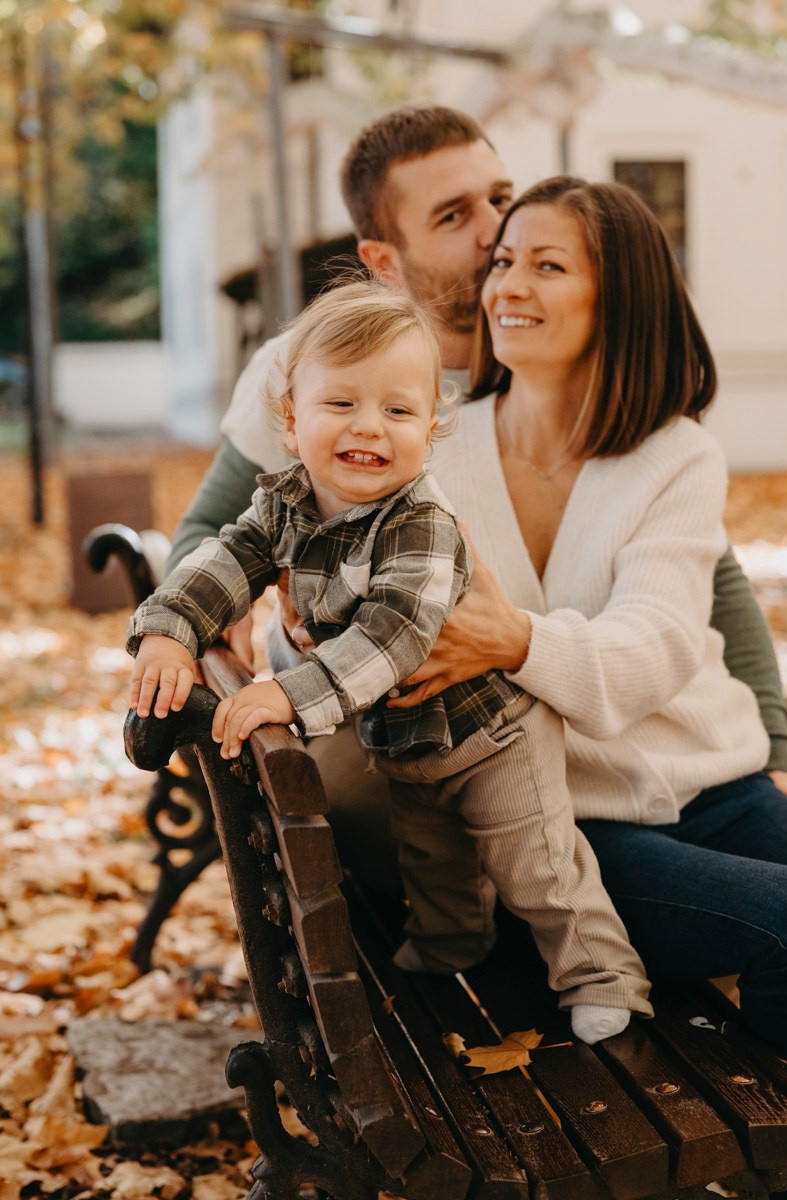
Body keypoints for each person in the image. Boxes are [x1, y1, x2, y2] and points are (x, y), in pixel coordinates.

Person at [166, 106, 787, 838]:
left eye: (501, 196)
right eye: (455, 215)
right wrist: (244, 612)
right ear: (384, 262)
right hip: (415, 746)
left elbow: (705, 583)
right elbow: (215, 527)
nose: (497, 229)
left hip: (604, 756)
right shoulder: (315, 367)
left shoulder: (587, 381)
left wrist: (776, 752)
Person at [126, 279, 653, 1045]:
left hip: (494, 735)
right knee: (433, 867)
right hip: (404, 742)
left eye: (399, 411)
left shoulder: (422, 525)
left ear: (431, 428)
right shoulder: (283, 505)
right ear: (291, 417)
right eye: (341, 405)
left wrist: (290, 697)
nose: (369, 428)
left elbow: (394, 636)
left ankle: (604, 977)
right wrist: (172, 628)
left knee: (540, 869)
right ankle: (449, 950)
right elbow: (224, 561)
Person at [383, 174, 787, 1060]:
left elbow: (661, 645)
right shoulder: (433, 456)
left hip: (718, 790)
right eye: (504, 263)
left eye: (548, 265)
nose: (509, 287)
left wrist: (518, 641)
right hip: (565, 824)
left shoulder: (675, 454)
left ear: (620, 295)